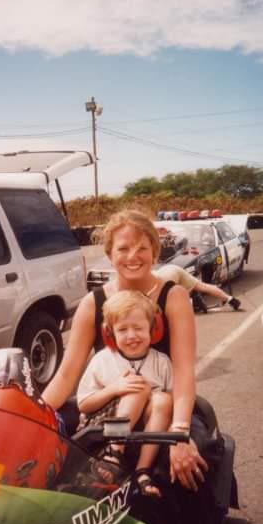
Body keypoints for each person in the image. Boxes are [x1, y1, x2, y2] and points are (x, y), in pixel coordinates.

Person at [43, 209, 208, 491]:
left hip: (162, 409)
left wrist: (180, 432)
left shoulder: (174, 297)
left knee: (181, 468)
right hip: (110, 408)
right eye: (123, 248)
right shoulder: (93, 303)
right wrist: (31, 416)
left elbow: (182, 373)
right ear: (109, 254)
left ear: (155, 251)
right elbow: (66, 375)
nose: (133, 256)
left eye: (142, 247)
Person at [76, 290, 173, 497]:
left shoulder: (162, 362)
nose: (131, 335)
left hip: (143, 433)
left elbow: (172, 405)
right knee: (138, 386)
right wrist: (114, 389)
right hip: (102, 430)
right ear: (109, 334)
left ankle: (142, 471)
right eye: (122, 330)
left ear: (153, 329)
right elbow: (83, 404)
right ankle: (113, 454)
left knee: (164, 399)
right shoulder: (102, 360)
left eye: (138, 328)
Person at [153, 263, 241, 312]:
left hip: (169, 274)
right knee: (202, 286)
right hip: (170, 269)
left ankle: (193, 300)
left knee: (169, 305)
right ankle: (230, 299)